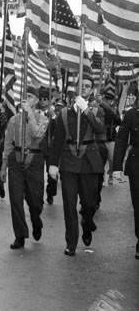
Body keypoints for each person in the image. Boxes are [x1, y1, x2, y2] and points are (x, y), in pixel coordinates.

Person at [48, 76, 105, 256]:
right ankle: (71, 242)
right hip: (69, 163)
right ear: (76, 88)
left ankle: (87, 224)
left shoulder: (96, 111)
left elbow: (100, 129)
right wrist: (52, 164)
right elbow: (57, 141)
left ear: (92, 90)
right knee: (69, 204)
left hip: (89, 163)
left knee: (89, 204)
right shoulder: (64, 113)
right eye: (82, 86)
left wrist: (86, 110)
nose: (85, 89)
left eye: (88, 86)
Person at [1, 86, 49, 249]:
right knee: (15, 199)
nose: (26, 99)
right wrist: (3, 165)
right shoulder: (14, 120)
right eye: (25, 96)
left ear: (36, 101)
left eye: (30, 96)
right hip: (16, 159)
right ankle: (20, 235)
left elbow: (37, 134)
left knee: (35, 201)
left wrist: (29, 114)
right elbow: (8, 143)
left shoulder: (42, 118)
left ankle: (36, 220)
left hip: (34, 160)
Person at [112, 86, 139, 260]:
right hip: (137, 163)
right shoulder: (131, 115)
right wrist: (116, 168)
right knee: (138, 205)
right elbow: (121, 141)